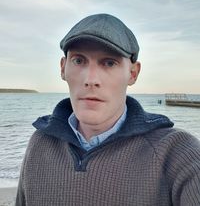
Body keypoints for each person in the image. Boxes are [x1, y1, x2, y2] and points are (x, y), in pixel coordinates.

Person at [15, 13, 200, 206]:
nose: (91, 79)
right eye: (79, 61)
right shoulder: (40, 143)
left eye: (109, 63)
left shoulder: (178, 153)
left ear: (133, 73)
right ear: (63, 68)